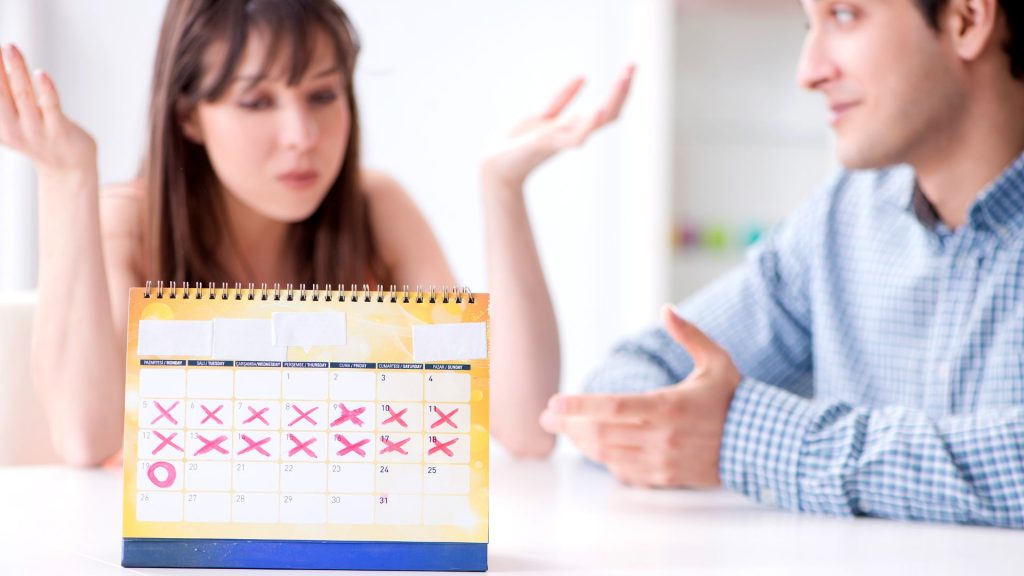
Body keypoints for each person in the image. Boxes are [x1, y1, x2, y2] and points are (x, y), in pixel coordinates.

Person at [0, 0, 632, 466]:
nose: (302, 135)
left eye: (323, 95)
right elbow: (86, 440)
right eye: (257, 102)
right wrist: (67, 180)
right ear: (190, 115)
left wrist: (502, 189)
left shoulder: (374, 206)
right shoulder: (128, 224)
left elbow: (525, 427)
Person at [539, 0, 1024, 527]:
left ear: (967, 20)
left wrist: (745, 438)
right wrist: (679, 430)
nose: (808, 72)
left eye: (843, 17)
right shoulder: (843, 216)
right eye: (807, 25)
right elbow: (629, 376)